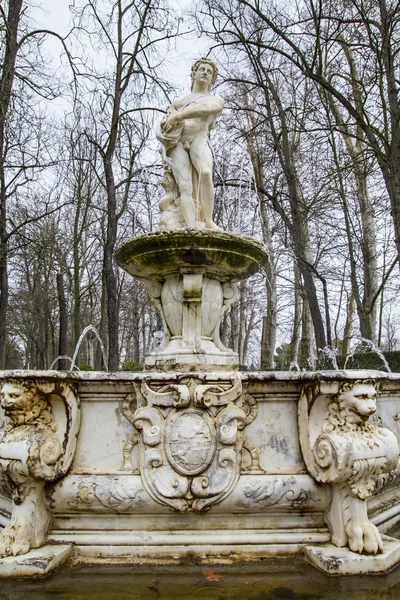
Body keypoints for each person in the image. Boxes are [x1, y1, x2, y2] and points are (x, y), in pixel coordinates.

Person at [157, 57, 224, 230]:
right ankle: (191, 226)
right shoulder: (177, 103)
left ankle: (208, 220)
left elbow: (204, 110)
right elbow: (162, 127)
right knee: (184, 186)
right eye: (202, 69)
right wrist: (162, 134)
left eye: (209, 72)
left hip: (198, 138)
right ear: (194, 74)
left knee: (206, 172)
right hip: (178, 144)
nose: (205, 73)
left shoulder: (216, 101)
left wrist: (178, 116)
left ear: (212, 80)